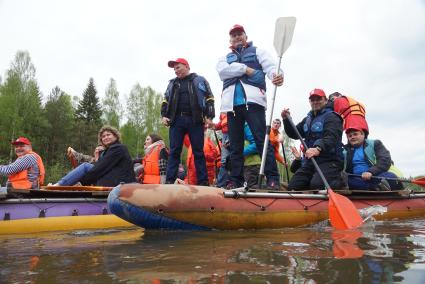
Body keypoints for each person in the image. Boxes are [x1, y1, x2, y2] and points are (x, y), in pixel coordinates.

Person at [216, 24, 283, 189]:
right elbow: (222, 72)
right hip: (232, 107)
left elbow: (271, 68)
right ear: (230, 40)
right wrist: (246, 69)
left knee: (262, 141)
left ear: (246, 36)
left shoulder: (258, 52)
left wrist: (277, 75)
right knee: (236, 146)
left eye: (240, 34)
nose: (237, 37)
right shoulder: (225, 57)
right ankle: (236, 180)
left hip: (254, 104)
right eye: (234, 35)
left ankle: (273, 178)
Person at [161, 58, 215, 186]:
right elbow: (165, 100)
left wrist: (209, 116)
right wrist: (164, 115)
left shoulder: (200, 80)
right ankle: (169, 181)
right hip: (176, 120)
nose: (175, 71)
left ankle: (203, 182)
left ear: (186, 66)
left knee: (198, 151)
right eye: (174, 69)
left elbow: (209, 97)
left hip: (195, 119)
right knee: (174, 151)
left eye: (178, 67)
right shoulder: (172, 83)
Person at [281, 88, 346, 190]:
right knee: (293, 186)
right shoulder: (307, 119)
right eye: (312, 100)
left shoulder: (332, 117)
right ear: (310, 102)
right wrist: (286, 120)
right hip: (310, 162)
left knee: (316, 185)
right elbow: (294, 133)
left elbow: (331, 137)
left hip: (330, 161)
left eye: (318, 99)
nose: (315, 102)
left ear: (325, 100)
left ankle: (340, 181)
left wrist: (318, 148)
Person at [52, 126, 136, 186]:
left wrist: (82, 181)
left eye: (108, 135)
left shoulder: (118, 148)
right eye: (103, 136)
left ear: (115, 136)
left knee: (85, 166)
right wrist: (97, 158)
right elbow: (101, 166)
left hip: (119, 183)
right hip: (114, 180)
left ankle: (59, 185)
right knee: (86, 167)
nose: (106, 137)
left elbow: (101, 168)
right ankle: (60, 184)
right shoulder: (110, 150)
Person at [212, 112, 230, 187]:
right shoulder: (223, 110)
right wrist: (215, 126)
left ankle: (230, 182)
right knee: (225, 161)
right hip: (225, 135)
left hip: (233, 132)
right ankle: (221, 184)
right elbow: (222, 123)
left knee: (231, 160)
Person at [243, 123, 262, 188]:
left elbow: (256, 145)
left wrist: (240, 153)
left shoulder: (247, 126)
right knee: (253, 187)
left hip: (252, 165)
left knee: (250, 188)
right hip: (250, 164)